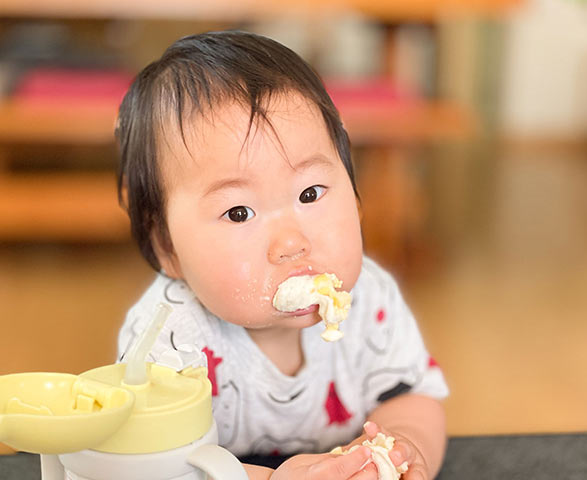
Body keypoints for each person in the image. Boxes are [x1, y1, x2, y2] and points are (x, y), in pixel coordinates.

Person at [115, 30, 448, 480]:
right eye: (238, 212)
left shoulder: (371, 301)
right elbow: (152, 465)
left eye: (310, 193)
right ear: (167, 248)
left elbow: (413, 398)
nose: (291, 242)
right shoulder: (170, 336)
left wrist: (405, 448)